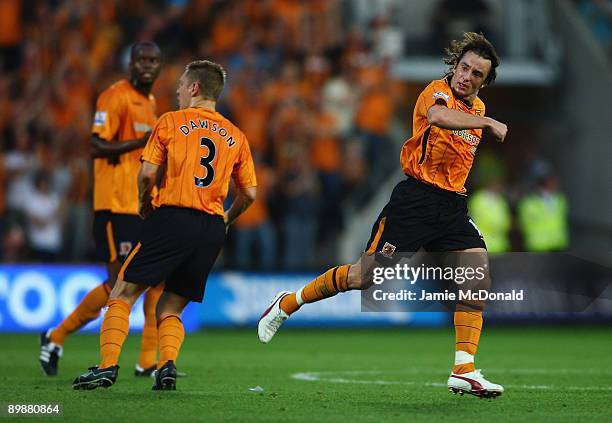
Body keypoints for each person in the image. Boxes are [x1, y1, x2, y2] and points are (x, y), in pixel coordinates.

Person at [258, 32, 508, 398]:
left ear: (484, 82)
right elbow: (438, 117)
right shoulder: (435, 93)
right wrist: (486, 125)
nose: (466, 77)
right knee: (364, 277)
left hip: (451, 206)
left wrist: (482, 120)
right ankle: (287, 303)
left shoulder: (478, 109)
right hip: (415, 202)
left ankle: (463, 369)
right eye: (464, 67)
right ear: (454, 65)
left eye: (476, 74)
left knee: (477, 276)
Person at [72, 59, 257, 391]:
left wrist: (145, 202)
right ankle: (167, 365)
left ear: (195, 88)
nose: (177, 90)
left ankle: (107, 366)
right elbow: (250, 193)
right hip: (211, 228)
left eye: (182, 85)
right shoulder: (236, 135)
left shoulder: (171, 121)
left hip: (174, 216)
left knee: (122, 293)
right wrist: (226, 219)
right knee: (172, 305)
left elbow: (145, 173)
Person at [39, 42, 164, 377]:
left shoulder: (150, 103)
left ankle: (148, 360)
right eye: (142, 60)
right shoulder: (114, 97)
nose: (147, 66)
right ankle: (56, 336)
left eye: (153, 61)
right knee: (117, 285)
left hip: (137, 206)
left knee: (155, 281)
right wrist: (143, 142)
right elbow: (96, 145)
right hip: (113, 205)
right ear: (131, 63)